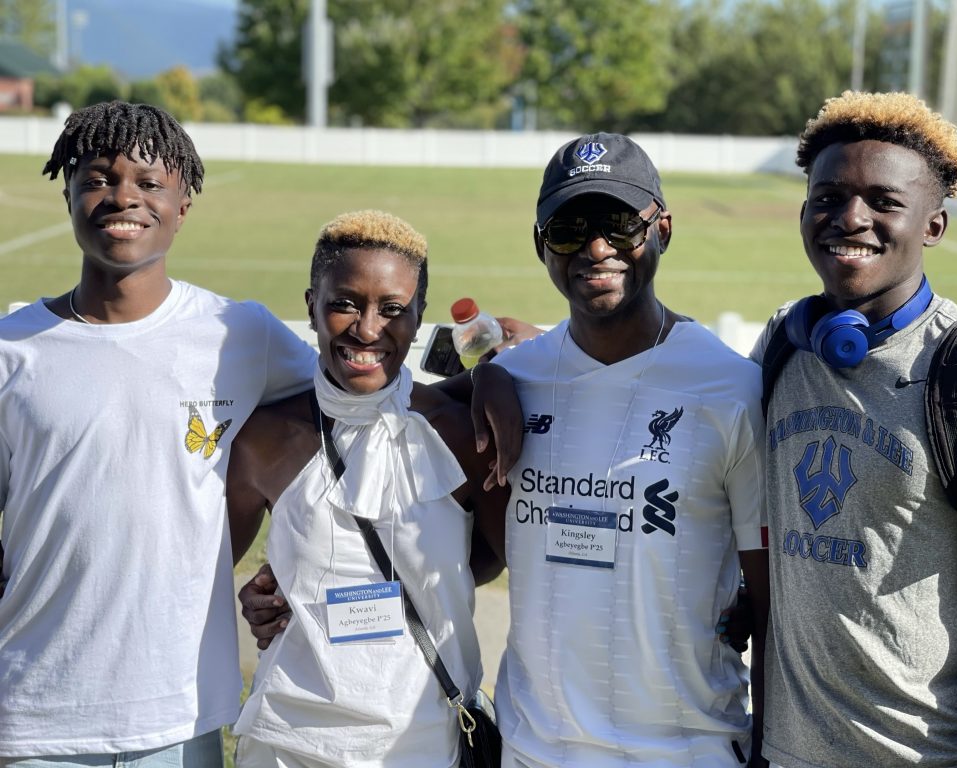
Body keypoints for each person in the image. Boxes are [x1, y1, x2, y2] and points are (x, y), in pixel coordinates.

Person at [240, 134, 770, 766]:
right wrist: (304, 579)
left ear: (663, 228)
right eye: (570, 228)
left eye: (619, 224)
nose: (596, 247)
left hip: (687, 751)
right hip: (531, 749)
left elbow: (770, 597)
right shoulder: (518, 378)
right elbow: (478, 552)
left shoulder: (732, 388)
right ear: (540, 243)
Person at [0, 102, 318, 764]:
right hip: (33, 717)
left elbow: (358, 400)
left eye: (149, 182)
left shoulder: (242, 334)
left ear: (183, 204)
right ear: (66, 192)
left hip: (178, 714)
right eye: (97, 178)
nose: (123, 198)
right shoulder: (13, 349)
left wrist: (489, 373)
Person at [751, 91, 957, 767]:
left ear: (934, 225)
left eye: (883, 201)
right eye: (829, 196)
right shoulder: (783, 343)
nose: (851, 218)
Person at [226, 210, 508, 767]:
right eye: (345, 303)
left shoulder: (458, 432)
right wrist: (264, 592)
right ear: (311, 305)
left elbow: (488, 559)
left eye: (393, 309)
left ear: (421, 317)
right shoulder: (262, 439)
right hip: (288, 742)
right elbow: (205, 572)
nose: (367, 328)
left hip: (422, 741)